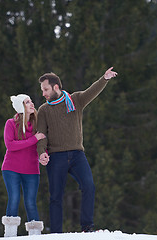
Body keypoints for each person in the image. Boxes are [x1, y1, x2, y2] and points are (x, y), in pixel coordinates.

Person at [36, 67, 118, 233]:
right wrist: (41, 152)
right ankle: (56, 234)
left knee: (89, 186)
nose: (43, 93)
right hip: (56, 157)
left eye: (45, 89)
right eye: (42, 90)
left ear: (56, 87)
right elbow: (41, 134)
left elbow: (91, 91)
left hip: (77, 155)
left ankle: (87, 227)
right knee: (56, 197)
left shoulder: (75, 100)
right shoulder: (44, 110)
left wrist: (105, 78)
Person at [1, 94, 46, 237]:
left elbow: (42, 144)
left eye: (31, 101)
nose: (32, 104)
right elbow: (10, 145)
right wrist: (34, 139)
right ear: (21, 106)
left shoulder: (38, 125)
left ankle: (35, 236)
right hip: (11, 169)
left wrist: (43, 155)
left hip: (32, 170)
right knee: (14, 198)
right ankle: (10, 236)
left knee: (31, 202)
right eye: (27, 102)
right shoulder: (10, 123)